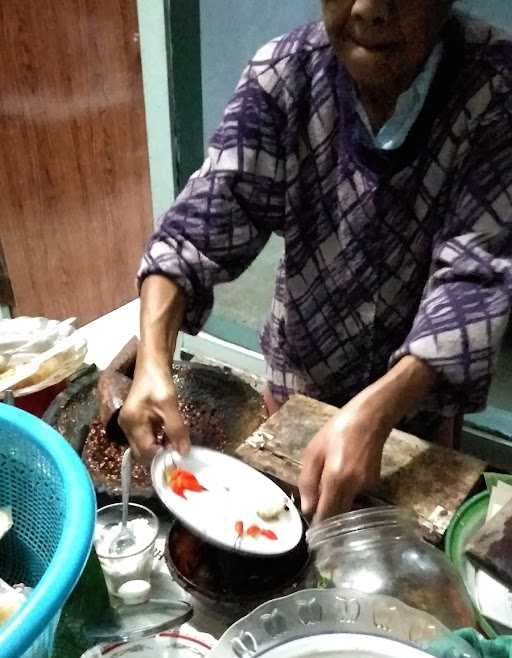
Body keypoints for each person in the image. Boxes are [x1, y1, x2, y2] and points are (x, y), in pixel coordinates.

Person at [120, 0, 512, 522]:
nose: (370, 9)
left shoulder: (495, 88)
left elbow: (475, 276)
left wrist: (376, 412)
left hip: (413, 410)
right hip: (298, 389)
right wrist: (152, 360)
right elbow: (201, 223)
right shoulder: (283, 75)